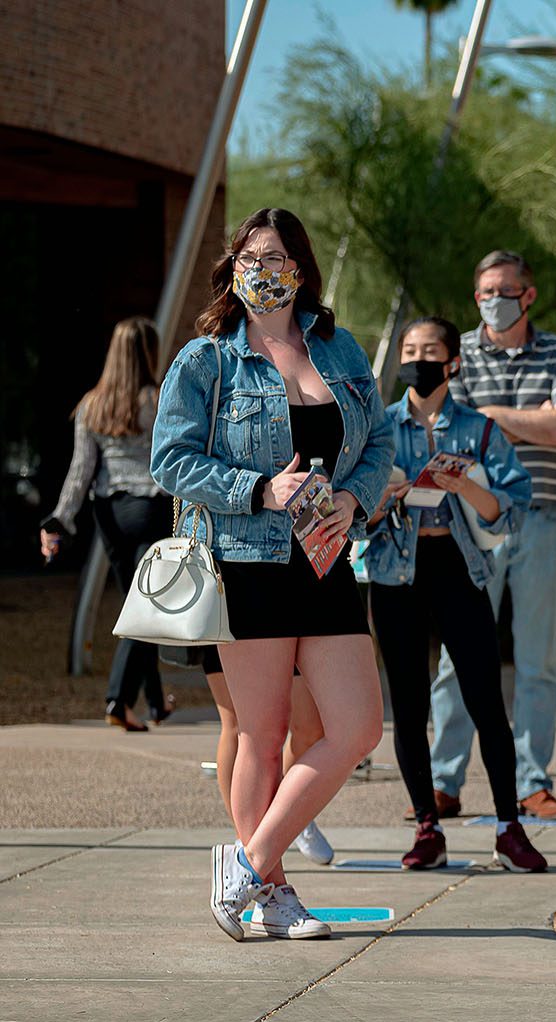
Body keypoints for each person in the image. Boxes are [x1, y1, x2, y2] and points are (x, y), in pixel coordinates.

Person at [151, 207, 393, 941]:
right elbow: (171, 458)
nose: (266, 270)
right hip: (244, 559)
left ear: (302, 268)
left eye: (280, 257)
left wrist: (355, 497)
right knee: (261, 732)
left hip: (323, 555)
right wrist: (259, 488)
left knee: (356, 728)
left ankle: (249, 861)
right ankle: (276, 892)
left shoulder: (340, 347)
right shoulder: (207, 359)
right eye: (252, 258)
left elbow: (378, 441)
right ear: (233, 268)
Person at [363, 316, 546, 872]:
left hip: (460, 569)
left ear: (453, 362)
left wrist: (463, 483)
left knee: (486, 702)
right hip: (395, 575)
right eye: (410, 350)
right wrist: (384, 497)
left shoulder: (480, 429)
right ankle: (427, 826)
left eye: (430, 350)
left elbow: (511, 506)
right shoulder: (378, 428)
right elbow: (351, 517)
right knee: (410, 704)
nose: (418, 359)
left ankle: (508, 826)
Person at [431, 249, 556, 822]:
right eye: (483, 292)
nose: (492, 301)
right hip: (470, 524)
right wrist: (531, 418)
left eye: (503, 290)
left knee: (537, 659)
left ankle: (532, 784)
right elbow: (446, 425)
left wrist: (488, 417)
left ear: (529, 295)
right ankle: (442, 783)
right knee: (457, 657)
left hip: (542, 516)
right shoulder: (459, 355)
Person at [40, 316, 176, 731]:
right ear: (149, 353)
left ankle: (154, 703)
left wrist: (58, 521)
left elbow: (81, 471)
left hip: (109, 517)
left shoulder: (90, 405)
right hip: (151, 509)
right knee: (147, 610)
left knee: (140, 605)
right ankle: (118, 699)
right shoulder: (158, 400)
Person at [202, 652, 334, 871]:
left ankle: (290, 811)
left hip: (280, 622)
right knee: (237, 724)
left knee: (309, 727)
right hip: (225, 624)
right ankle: (246, 843)